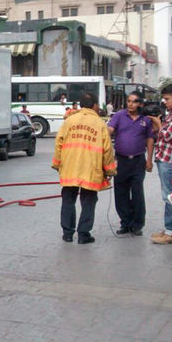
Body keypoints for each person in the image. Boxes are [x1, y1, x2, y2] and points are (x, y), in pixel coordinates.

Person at [52, 92, 116, 244]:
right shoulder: (100, 124)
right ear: (94, 105)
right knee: (88, 201)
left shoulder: (69, 121)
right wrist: (110, 170)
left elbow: (58, 143)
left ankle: (67, 233)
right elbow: (107, 150)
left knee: (68, 200)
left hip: (69, 168)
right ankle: (83, 234)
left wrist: (57, 164)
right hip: (90, 170)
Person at [107, 91, 155, 236]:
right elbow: (109, 130)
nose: (130, 104)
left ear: (140, 103)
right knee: (120, 193)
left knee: (137, 193)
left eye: (134, 101)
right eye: (129, 101)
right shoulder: (119, 116)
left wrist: (149, 160)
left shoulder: (145, 120)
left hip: (138, 161)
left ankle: (137, 225)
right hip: (121, 161)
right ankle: (125, 223)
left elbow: (150, 140)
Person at [148, 83, 172, 245]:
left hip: (169, 160)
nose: (165, 102)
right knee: (167, 195)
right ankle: (169, 229)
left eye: (167, 99)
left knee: (170, 196)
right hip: (163, 157)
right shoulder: (171, 113)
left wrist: (158, 124)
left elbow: (168, 135)